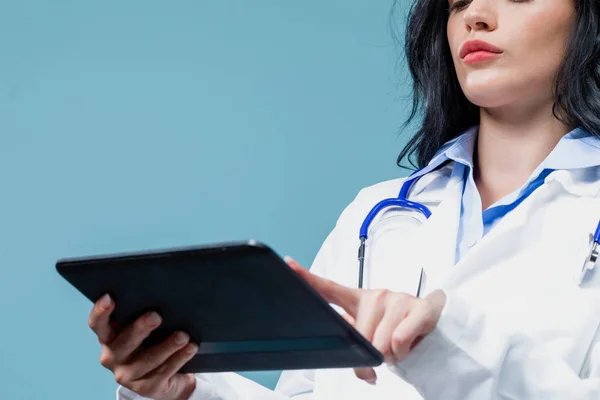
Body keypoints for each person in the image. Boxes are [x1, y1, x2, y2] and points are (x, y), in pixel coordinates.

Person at [87, 0, 600, 398]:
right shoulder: (375, 217)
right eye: (458, 2)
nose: (477, 18)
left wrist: (444, 346)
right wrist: (184, 391)